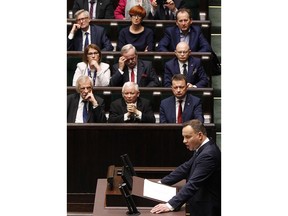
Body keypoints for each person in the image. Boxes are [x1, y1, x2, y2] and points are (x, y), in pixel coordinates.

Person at [150, 119, 221, 216]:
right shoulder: (202, 149)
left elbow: (193, 184)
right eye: (184, 137)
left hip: (207, 209)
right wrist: (161, 182)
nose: (184, 141)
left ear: (200, 135)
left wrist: (170, 205)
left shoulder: (209, 154)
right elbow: (185, 168)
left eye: (188, 137)